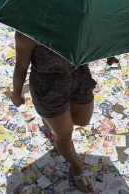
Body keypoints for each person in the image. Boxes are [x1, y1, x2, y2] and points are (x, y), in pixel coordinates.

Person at [11, 31, 98, 193]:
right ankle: (75, 167)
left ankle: (50, 120)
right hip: (48, 87)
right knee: (64, 136)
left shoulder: (83, 16)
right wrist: (16, 93)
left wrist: (110, 55)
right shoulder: (28, 30)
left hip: (79, 76)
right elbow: (21, 66)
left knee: (82, 120)